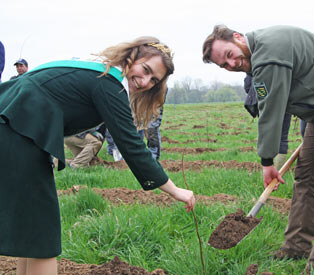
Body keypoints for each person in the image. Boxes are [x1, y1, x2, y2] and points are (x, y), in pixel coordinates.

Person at [0, 37, 195, 275]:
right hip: (16, 131)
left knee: (31, 228)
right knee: (43, 235)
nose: (145, 81)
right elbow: (131, 145)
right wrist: (175, 190)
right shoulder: (108, 84)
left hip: (16, 127)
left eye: (154, 79)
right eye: (145, 70)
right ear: (132, 58)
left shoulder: (98, 73)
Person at [202, 25, 314, 273]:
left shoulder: (269, 54)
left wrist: (267, 161)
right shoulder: (258, 62)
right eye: (224, 65)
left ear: (237, 38)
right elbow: (271, 102)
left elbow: (272, 110)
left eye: (229, 54)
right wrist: (273, 154)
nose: (232, 63)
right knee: (306, 178)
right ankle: (296, 247)